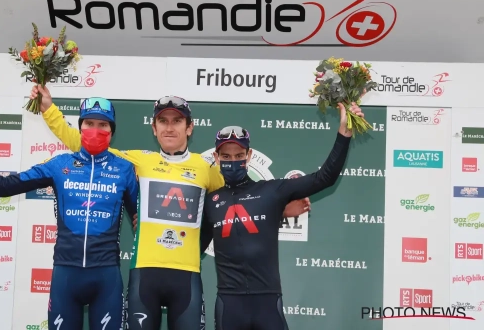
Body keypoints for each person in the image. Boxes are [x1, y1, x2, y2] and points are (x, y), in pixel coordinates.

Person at [29, 86, 308, 330]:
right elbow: (82, 142)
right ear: (154, 128)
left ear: (189, 128)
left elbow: (239, 197)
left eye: (177, 121)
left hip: (187, 276)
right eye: (163, 121)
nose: (170, 127)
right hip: (144, 275)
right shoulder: (138, 161)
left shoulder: (205, 168)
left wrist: (279, 209)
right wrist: (49, 110)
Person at [0, 98, 139, 330]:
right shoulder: (59, 165)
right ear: (80, 127)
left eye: (103, 125)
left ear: (112, 131)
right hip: (66, 277)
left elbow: (141, 221)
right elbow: (1, 186)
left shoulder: (124, 169)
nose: (95, 130)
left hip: (106, 278)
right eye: (89, 123)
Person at [200, 102, 363, 330]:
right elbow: (193, 251)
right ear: (216, 158)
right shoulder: (210, 201)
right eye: (226, 156)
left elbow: (325, 178)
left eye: (239, 155)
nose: (233, 161)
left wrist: (344, 134)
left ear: (249, 155)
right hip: (229, 303)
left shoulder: (272, 191)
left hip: (267, 301)